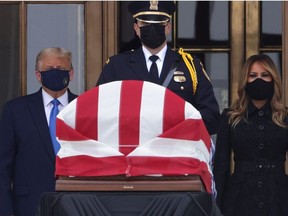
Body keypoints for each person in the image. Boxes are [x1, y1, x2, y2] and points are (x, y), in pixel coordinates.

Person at [96, 1, 220, 135]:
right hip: (132, 151)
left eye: (158, 24)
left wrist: (178, 125)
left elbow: (212, 118)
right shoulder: (117, 66)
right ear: (136, 28)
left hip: (176, 150)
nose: (152, 28)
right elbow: (98, 112)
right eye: (145, 24)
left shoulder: (191, 66)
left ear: (168, 27)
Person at [0, 47, 78, 216]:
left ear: (71, 74)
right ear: (38, 75)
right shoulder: (16, 110)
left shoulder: (86, 107)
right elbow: (3, 167)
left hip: (79, 204)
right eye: (50, 69)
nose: (56, 73)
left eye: (61, 69)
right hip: (29, 205)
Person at [213, 54, 288, 216]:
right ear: (245, 80)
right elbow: (221, 166)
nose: (258, 80)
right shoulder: (230, 117)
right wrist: (216, 206)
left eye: (264, 75)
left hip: (279, 197)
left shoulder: (284, 118)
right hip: (239, 198)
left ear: (273, 79)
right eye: (252, 76)